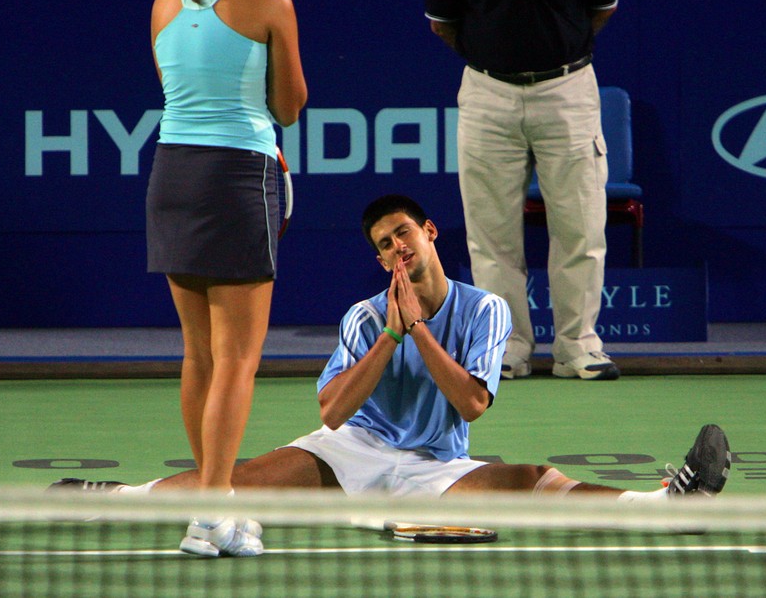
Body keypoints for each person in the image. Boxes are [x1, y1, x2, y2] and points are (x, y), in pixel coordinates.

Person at [52, 196, 731, 558]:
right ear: (380, 261)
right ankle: (113, 494)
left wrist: (423, 332)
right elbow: (331, 416)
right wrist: (389, 334)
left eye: (403, 232)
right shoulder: (362, 317)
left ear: (431, 232)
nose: (397, 247)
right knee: (234, 476)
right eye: (383, 244)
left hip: (436, 464)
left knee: (529, 481)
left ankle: (668, 506)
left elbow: (468, 405)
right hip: (353, 449)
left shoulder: (486, 308)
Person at [145, 0, 307, 555]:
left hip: (172, 176)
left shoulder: (163, 0)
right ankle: (210, 509)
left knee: (200, 355)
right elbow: (290, 105)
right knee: (238, 361)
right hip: (237, 177)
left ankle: (221, 505)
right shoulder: (270, 2)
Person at [425, 0, 620, 381]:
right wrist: (495, 57)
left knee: (580, 226)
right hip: (489, 95)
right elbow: (442, 21)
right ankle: (507, 347)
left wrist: (553, 51)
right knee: (491, 236)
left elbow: (602, 7)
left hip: (567, 89)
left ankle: (578, 346)